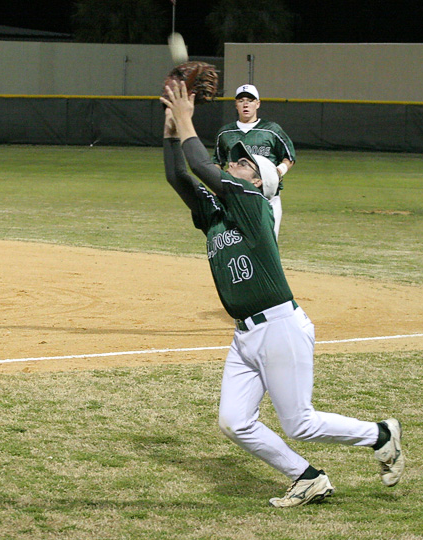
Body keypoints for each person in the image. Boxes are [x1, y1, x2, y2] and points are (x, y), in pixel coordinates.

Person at [161, 81, 405, 508]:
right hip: (245, 336)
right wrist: (169, 132)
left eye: (242, 164)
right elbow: (178, 174)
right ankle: (306, 477)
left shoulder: (252, 205)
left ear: (258, 181)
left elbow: (201, 164)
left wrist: (186, 119)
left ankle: (381, 434)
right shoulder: (217, 213)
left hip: (279, 327)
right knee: (235, 422)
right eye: (233, 161)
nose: (233, 164)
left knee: (300, 423)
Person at [213, 84, 296, 239]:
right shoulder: (225, 133)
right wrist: (215, 183)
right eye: (241, 100)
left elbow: (289, 156)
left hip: (267, 197)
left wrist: (278, 171)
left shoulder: (271, 129)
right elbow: (217, 161)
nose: (246, 104)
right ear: (236, 104)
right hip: (235, 197)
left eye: (250, 100)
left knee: (268, 242)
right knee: (235, 241)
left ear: (258, 104)